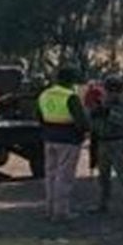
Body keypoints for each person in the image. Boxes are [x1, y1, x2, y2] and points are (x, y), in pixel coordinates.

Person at [37, 66, 89, 222]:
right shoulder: (71, 97)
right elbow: (82, 121)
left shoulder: (44, 94)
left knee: (51, 175)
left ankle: (49, 209)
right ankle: (61, 213)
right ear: (72, 80)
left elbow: (39, 116)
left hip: (49, 138)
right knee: (64, 177)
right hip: (69, 140)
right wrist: (86, 131)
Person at [89, 74, 123, 215]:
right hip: (103, 141)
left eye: (112, 89)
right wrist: (94, 115)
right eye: (108, 89)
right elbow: (94, 122)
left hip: (117, 141)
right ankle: (103, 203)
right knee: (103, 176)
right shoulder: (104, 101)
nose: (109, 92)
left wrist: (108, 112)